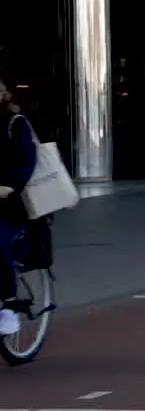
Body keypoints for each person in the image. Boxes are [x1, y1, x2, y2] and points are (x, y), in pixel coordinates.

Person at [0, 79, 35, 337]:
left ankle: (9, 307)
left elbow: (27, 160)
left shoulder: (15, 123)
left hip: (11, 203)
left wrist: (10, 186)